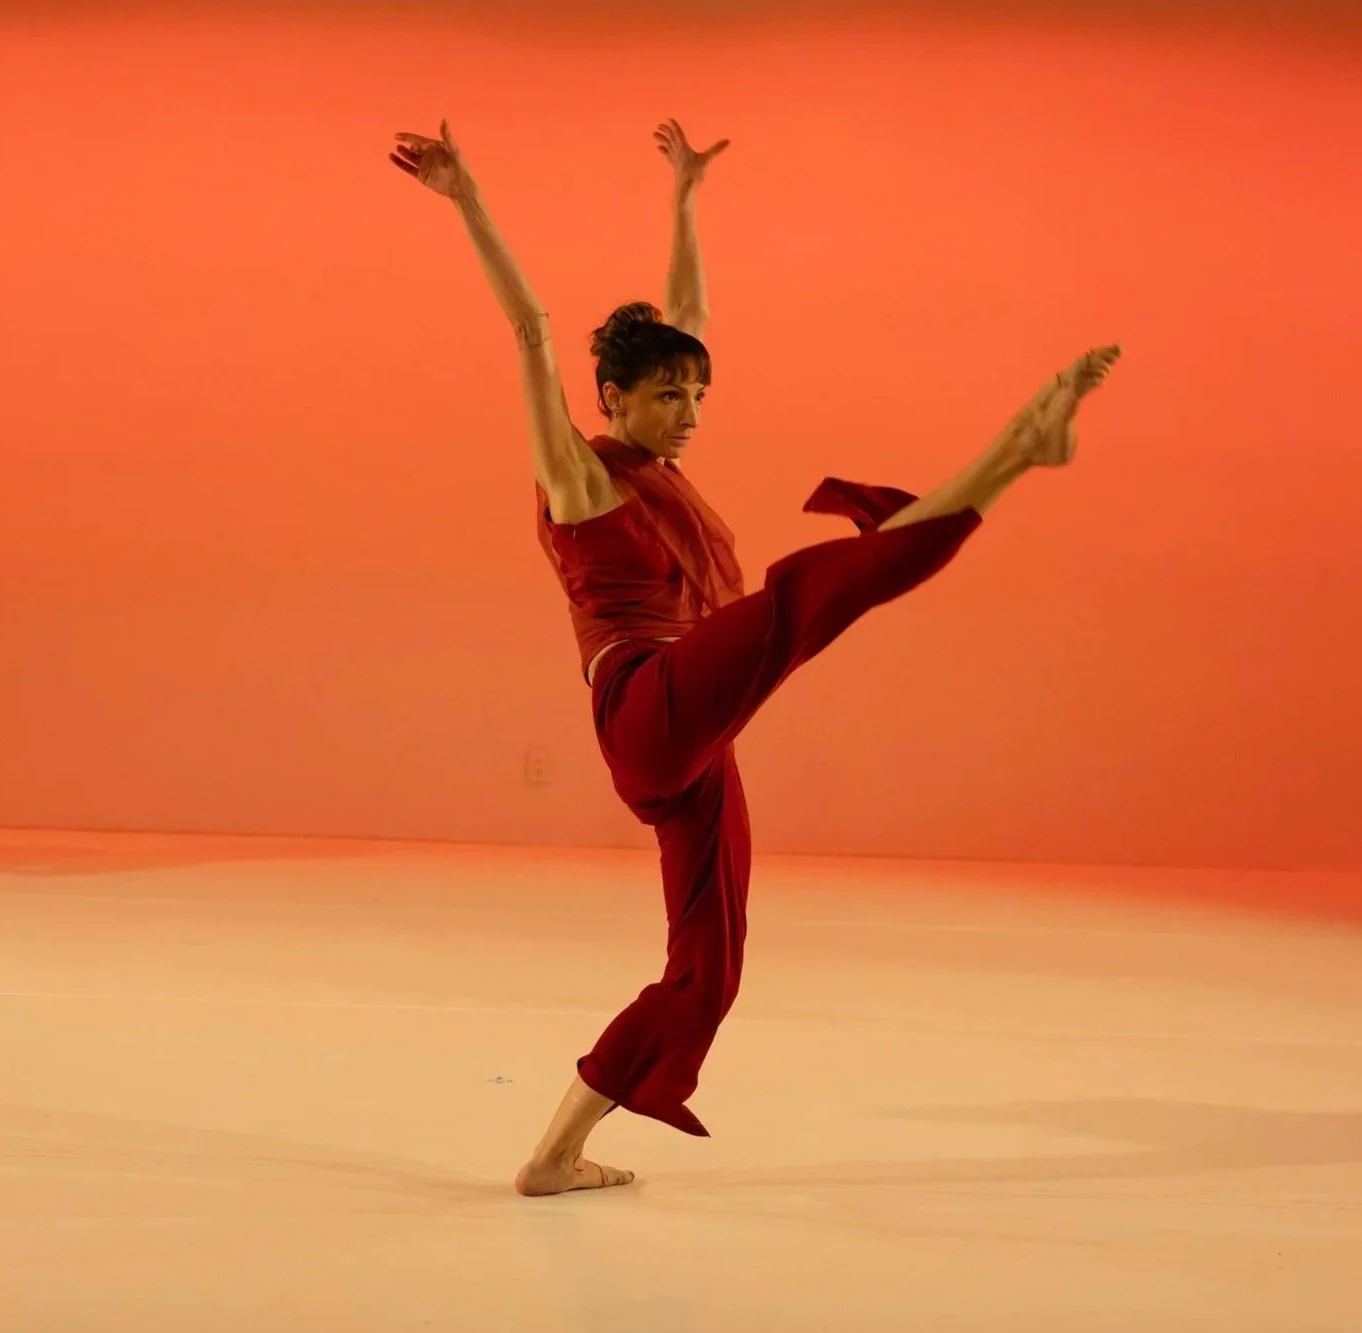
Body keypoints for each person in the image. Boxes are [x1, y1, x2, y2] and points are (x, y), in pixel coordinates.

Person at [389, 117, 1120, 1197]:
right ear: (613, 403)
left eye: (696, 394)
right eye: (665, 395)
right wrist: (468, 202)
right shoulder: (578, 477)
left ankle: (554, 1151)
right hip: (647, 704)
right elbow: (534, 331)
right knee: (804, 596)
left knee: (711, 961)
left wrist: (685, 195)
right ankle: (1016, 450)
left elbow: (689, 315)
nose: (686, 412)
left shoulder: (667, 463)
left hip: (698, 727)